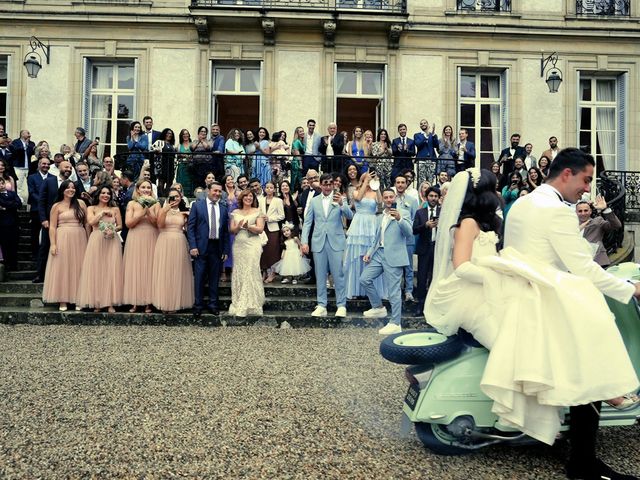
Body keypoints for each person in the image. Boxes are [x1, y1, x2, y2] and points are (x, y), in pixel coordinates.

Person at [426, 158, 640, 478]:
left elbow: (523, 251)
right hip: (521, 286)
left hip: (522, 283)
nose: (587, 188)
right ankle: (584, 451)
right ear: (567, 174)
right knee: (590, 341)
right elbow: (580, 266)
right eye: (585, 179)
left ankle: (571, 424)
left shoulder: (523, 205)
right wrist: (629, 289)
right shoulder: (554, 210)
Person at [361, 188, 413, 335]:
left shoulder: (404, 213)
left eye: (391, 197)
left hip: (394, 256)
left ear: (395, 197)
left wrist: (399, 219)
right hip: (379, 254)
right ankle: (378, 308)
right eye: (386, 197)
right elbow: (377, 238)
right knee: (364, 279)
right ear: (383, 199)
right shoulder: (380, 216)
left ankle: (396, 323)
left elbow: (409, 234)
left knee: (394, 291)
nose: (389, 199)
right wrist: (369, 253)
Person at [301, 173, 353, 317]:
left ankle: (341, 305)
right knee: (320, 274)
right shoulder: (314, 201)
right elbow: (307, 222)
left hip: (336, 241)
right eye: (325, 183)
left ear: (333, 184)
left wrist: (342, 204)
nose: (328, 186)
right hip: (318, 242)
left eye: (330, 183)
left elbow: (350, 216)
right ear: (321, 184)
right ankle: (321, 304)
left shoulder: (340, 199)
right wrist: (304, 241)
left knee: (338, 274)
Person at [41, 180, 88, 311]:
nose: (71, 190)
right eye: (68, 188)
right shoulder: (56, 206)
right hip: (62, 237)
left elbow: (87, 224)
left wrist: (90, 240)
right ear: (62, 190)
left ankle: (79, 298)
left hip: (79, 237)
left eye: (73, 188)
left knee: (79, 267)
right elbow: (52, 227)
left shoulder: (81, 204)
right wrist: (53, 244)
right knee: (63, 268)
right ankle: (63, 300)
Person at [76, 186, 124, 313]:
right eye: (103, 193)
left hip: (112, 240)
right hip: (96, 238)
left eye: (108, 193)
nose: (106, 195)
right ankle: (97, 301)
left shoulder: (115, 209)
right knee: (97, 269)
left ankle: (110, 303)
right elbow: (91, 222)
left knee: (111, 269)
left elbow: (120, 225)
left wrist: (112, 229)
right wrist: (102, 213)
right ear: (99, 195)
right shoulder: (92, 208)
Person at [187, 181, 230, 317]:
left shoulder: (223, 209)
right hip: (200, 247)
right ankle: (198, 305)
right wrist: (192, 246)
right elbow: (191, 227)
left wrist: (225, 250)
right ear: (208, 191)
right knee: (199, 278)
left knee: (214, 278)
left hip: (216, 247)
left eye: (219, 191)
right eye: (215, 191)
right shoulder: (197, 206)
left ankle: (213, 305)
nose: (217, 193)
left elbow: (225, 232)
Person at [151, 188, 194, 313]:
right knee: (165, 271)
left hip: (179, 241)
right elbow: (159, 225)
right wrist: (165, 210)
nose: (174, 199)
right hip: (164, 240)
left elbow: (187, 229)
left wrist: (187, 218)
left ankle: (176, 302)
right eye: (172, 196)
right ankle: (164, 302)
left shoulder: (184, 212)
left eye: (177, 196)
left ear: (181, 197)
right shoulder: (163, 209)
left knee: (177, 271)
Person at [344, 171, 384, 300]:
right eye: (366, 179)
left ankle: (371, 291)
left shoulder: (374, 193)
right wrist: (365, 181)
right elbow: (358, 198)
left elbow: (380, 203)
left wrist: (376, 185)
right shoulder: (356, 191)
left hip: (372, 224)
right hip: (359, 224)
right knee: (357, 257)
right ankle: (355, 289)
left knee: (371, 255)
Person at [122, 179, 159, 313]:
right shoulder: (131, 203)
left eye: (148, 187)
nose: (146, 190)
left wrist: (148, 211)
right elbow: (128, 223)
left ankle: (149, 302)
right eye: (143, 187)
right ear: (137, 189)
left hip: (151, 236)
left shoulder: (156, 204)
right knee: (135, 269)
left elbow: (157, 223)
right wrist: (141, 213)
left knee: (149, 269)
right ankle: (135, 302)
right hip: (135, 237)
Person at [228, 188, 265, 316]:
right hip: (239, 244)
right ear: (242, 198)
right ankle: (239, 302)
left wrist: (248, 226)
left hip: (253, 244)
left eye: (250, 196)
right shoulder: (235, 212)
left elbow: (260, 229)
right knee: (240, 271)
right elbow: (232, 229)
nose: (248, 198)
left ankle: (250, 304)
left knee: (251, 270)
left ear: (253, 199)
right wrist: (238, 227)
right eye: (246, 196)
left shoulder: (258, 211)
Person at [35, 160, 74, 283]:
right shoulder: (48, 181)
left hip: (66, 222)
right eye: (66, 167)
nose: (68, 169)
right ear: (59, 168)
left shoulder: (73, 184)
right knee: (45, 247)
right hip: (49, 222)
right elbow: (41, 201)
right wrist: (43, 219)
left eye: (70, 167)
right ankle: (41, 275)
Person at [413, 186, 440, 315]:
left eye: (435, 196)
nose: (433, 198)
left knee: (435, 277)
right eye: (431, 196)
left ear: (439, 198)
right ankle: (421, 304)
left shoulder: (443, 212)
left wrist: (440, 226)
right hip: (424, 248)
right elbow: (414, 230)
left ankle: (434, 306)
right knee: (422, 277)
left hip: (438, 248)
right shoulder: (420, 212)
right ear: (427, 197)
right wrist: (426, 225)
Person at [577, 196, 622, 268]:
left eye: (586, 210)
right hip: (577, 262)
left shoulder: (598, 221)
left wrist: (605, 209)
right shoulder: (571, 224)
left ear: (590, 211)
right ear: (576, 212)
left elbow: (616, 225)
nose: (583, 213)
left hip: (597, 261)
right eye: (580, 211)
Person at [394, 174, 419, 302]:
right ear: (395, 184)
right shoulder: (391, 199)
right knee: (395, 265)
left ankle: (408, 291)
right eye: (398, 182)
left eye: (402, 182)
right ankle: (396, 290)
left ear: (406, 184)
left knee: (408, 265)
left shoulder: (413, 200)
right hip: (394, 238)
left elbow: (415, 218)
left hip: (408, 238)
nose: (400, 185)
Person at [259, 180, 285, 283]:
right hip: (262, 228)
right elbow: (258, 212)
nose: (269, 189)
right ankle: (264, 272)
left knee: (273, 251)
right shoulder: (260, 200)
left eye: (271, 187)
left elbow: (282, 215)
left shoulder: (278, 201)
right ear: (264, 189)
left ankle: (272, 273)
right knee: (263, 251)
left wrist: (269, 218)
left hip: (273, 229)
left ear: (274, 189)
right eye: (267, 187)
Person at [27, 157, 51, 256]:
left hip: (49, 210)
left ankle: (46, 253)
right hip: (36, 209)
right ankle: (35, 253)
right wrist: (42, 202)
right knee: (35, 232)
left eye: (48, 164)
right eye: (43, 164)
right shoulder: (32, 177)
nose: (46, 166)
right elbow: (32, 193)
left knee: (48, 232)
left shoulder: (53, 177)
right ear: (39, 165)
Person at [0, 177, 22, 271]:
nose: (1, 185)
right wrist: (11, 205)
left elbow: (19, 204)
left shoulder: (12, 193)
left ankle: (14, 264)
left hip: (14, 223)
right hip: (2, 224)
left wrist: (5, 207)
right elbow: (3, 202)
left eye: (2, 183)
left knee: (14, 244)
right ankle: (7, 264)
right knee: (5, 244)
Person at [176, 129, 195, 197]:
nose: (185, 135)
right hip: (182, 167)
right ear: (181, 136)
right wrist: (183, 155)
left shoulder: (192, 144)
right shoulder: (179, 145)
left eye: (187, 134)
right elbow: (177, 156)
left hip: (190, 166)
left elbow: (194, 154)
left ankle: (190, 196)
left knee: (190, 182)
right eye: (184, 134)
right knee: (182, 182)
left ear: (189, 135)